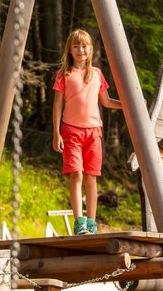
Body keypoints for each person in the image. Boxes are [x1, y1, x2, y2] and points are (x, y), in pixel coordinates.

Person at [51, 29, 122, 235]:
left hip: (94, 131)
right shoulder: (64, 74)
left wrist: (128, 105)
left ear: (91, 49)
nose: (81, 50)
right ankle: (79, 221)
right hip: (71, 130)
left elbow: (107, 102)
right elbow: (57, 105)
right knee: (76, 174)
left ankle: (91, 222)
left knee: (91, 176)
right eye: (76, 46)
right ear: (70, 50)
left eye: (85, 46)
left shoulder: (97, 74)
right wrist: (57, 134)